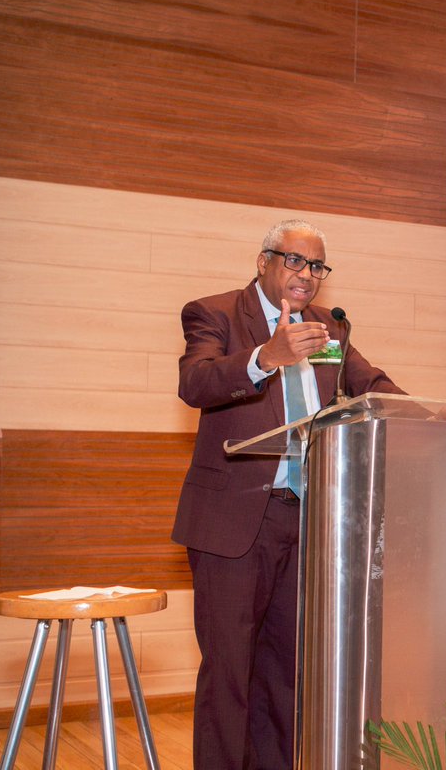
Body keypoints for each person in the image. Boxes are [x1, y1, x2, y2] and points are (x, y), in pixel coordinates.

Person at [173, 219, 406, 769]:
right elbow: (195, 383)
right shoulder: (215, 313)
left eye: (317, 266)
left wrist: (432, 413)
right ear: (264, 262)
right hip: (234, 526)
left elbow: (371, 384)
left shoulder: (330, 328)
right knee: (230, 673)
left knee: (287, 673)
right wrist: (265, 357)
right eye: (295, 261)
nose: (307, 275)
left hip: (306, 522)